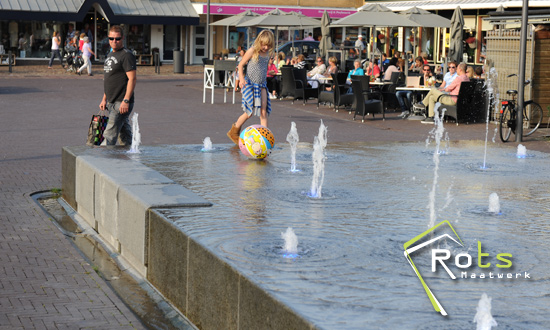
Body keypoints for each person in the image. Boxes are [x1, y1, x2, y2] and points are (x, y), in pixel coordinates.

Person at [226, 30, 275, 145]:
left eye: (268, 45)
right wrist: (241, 79)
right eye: (264, 44)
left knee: (264, 112)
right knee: (249, 111)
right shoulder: (253, 50)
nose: (266, 47)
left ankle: (265, 137)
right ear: (259, 42)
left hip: (262, 84)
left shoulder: (268, 53)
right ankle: (234, 131)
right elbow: (241, 64)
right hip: (249, 83)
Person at [99, 25, 137, 146]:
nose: (114, 41)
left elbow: (132, 79)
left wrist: (126, 100)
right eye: (111, 38)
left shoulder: (126, 55)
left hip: (121, 102)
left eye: (117, 38)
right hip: (111, 101)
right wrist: (104, 99)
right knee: (124, 135)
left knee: (109, 135)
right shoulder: (110, 54)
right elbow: (109, 79)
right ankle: (129, 155)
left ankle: (101, 162)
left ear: (123, 38)